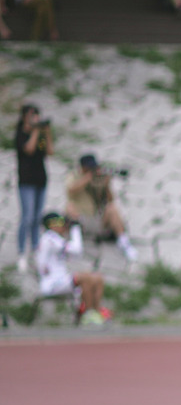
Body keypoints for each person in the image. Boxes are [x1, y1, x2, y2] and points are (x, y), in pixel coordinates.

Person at [36, 212, 107, 326]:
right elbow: (76, 249)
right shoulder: (49, 238)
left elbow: (76, 254)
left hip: (60, 281)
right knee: (85, 278)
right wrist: (75, 229)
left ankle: (96, 312)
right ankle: (88, 313)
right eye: (61, 223)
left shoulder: (56, 240)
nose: (64, 226)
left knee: (97, 278)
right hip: (51, 283)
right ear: (52, 225)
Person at [64, 154, 139, 262]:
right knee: (70, 207)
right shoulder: (74, 176)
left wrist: (106, 185)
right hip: (81, 218)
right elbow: (71, 191)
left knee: (112, 208)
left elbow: (110, 200)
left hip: (97, 218)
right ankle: (76, 243)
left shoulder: (100, 178)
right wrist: (87, 178)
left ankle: (124, 243)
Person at [15, 103, 53, 274]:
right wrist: (36, 131)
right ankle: (22, 252)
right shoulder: (21, 134)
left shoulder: (40, 136)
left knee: (37, 217)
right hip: (26, 182)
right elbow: (29, 150)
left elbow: (49, 151)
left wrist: (47, 133)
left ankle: (36, 248)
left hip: (40, 181)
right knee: (27, 217)